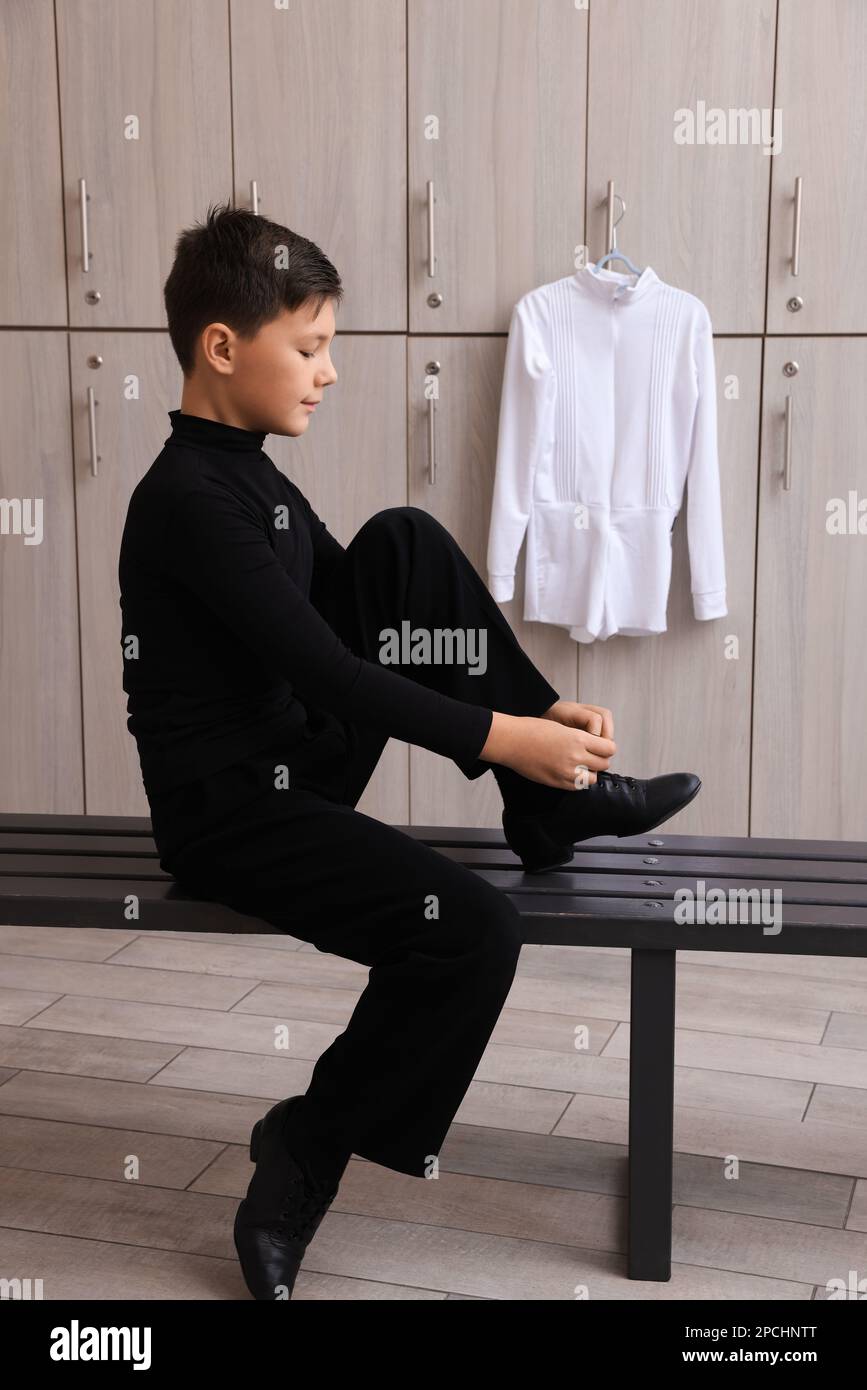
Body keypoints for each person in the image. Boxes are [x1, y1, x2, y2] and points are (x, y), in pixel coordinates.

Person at [118, 201, 700, 1300]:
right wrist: (503, 736)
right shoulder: (188, 500)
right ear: (223, 347)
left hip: (300, 760)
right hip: (234, 813)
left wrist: (540, 718)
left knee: (402, 544)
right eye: (312, 346)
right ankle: (305, 1146)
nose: (329, 372)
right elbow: (338, 673)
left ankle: (554, 802)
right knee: (472, 930)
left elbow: (365, 612)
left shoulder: (253, 473)